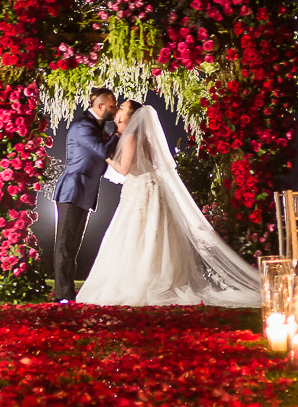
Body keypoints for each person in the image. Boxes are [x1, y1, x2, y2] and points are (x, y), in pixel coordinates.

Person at [75, 99, 260, 307]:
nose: (117, 112)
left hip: (140, 190)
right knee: (156, 232)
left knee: (137, 232)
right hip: (151, 187)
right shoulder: (143, 136)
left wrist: (105, 157)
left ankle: (141, 279)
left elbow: (123, 169)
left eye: (122, 109)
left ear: (131, 117)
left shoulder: (131, 137)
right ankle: (164, 275)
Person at [52, 86, 118, 301]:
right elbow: (102, 151)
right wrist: (118, 132)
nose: (115, 110)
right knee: (65, 246)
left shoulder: (95, 127)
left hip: (84, 193)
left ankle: (68, 292)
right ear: (100, 106)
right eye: (112, 105)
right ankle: (63, 295)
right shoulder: (82, 126)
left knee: (72, 246)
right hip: (72, 191)